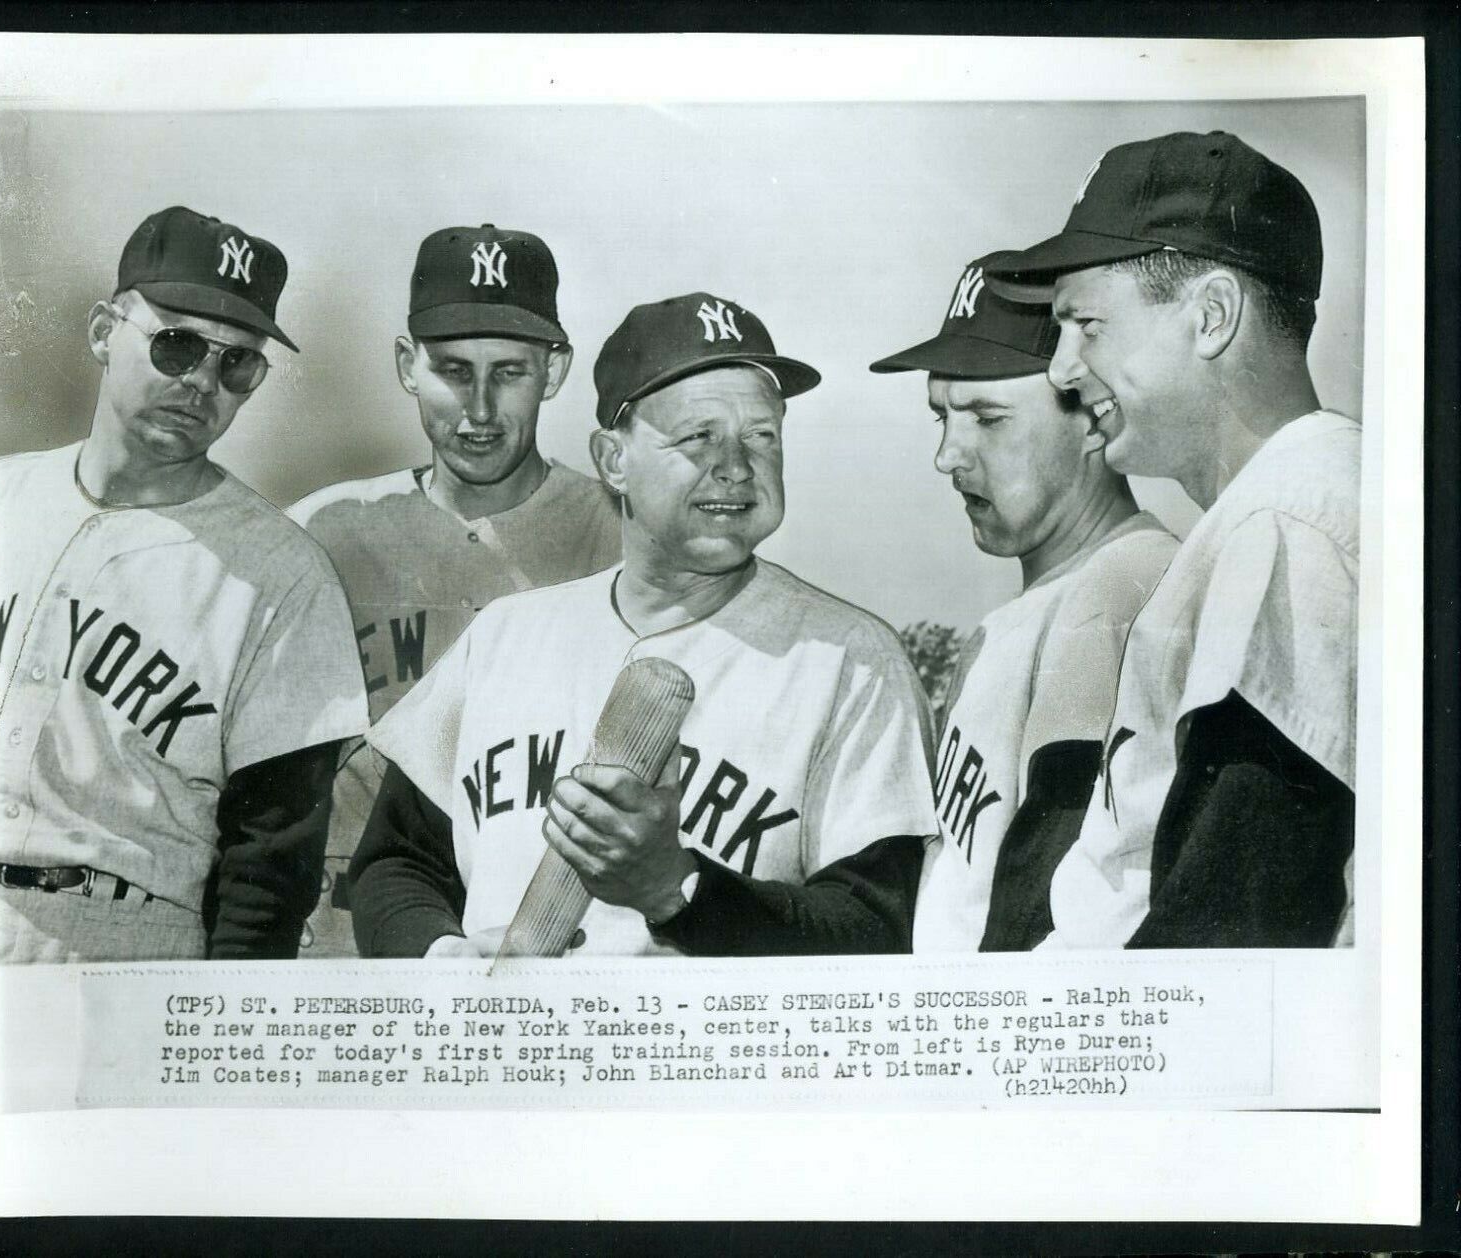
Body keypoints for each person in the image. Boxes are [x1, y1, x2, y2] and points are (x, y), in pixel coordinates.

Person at [349, 292, 939, 957]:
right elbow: (394, 864)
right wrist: (440, 957)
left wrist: (678, 890)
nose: (737, 466)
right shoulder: (505, 637)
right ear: (612, 460)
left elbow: (878, 929)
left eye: (761, 434)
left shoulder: (851, 661)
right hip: (504, 1048)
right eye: (698, 436)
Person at [985, 131, 1358, 947]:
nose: (1061, 369)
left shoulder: (1287, 521)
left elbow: (1234, 931)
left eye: (1087, 324)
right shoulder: (1262, 517)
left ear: (1212, 316)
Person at [0, 206, 368, 963]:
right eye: (176, 344)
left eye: (237, 364)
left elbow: (272, 863)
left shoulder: (283, 574)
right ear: (103, 332)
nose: (201, 382)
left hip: (127, 941)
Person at [288, 224, 621, 956]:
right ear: (407, 365)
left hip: (541, 934)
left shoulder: (619, 535)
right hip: (339, 935)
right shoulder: (323, 534)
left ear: (555, 370)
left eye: (509, 372)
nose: (477, 409)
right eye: (452, 370)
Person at [869, 261, 1178, 951]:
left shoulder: (1121, 583)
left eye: (988, 418)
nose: (948, 454)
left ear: (1096, 420)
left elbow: (1045, 887)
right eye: (942, 416)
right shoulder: (1040, 607)